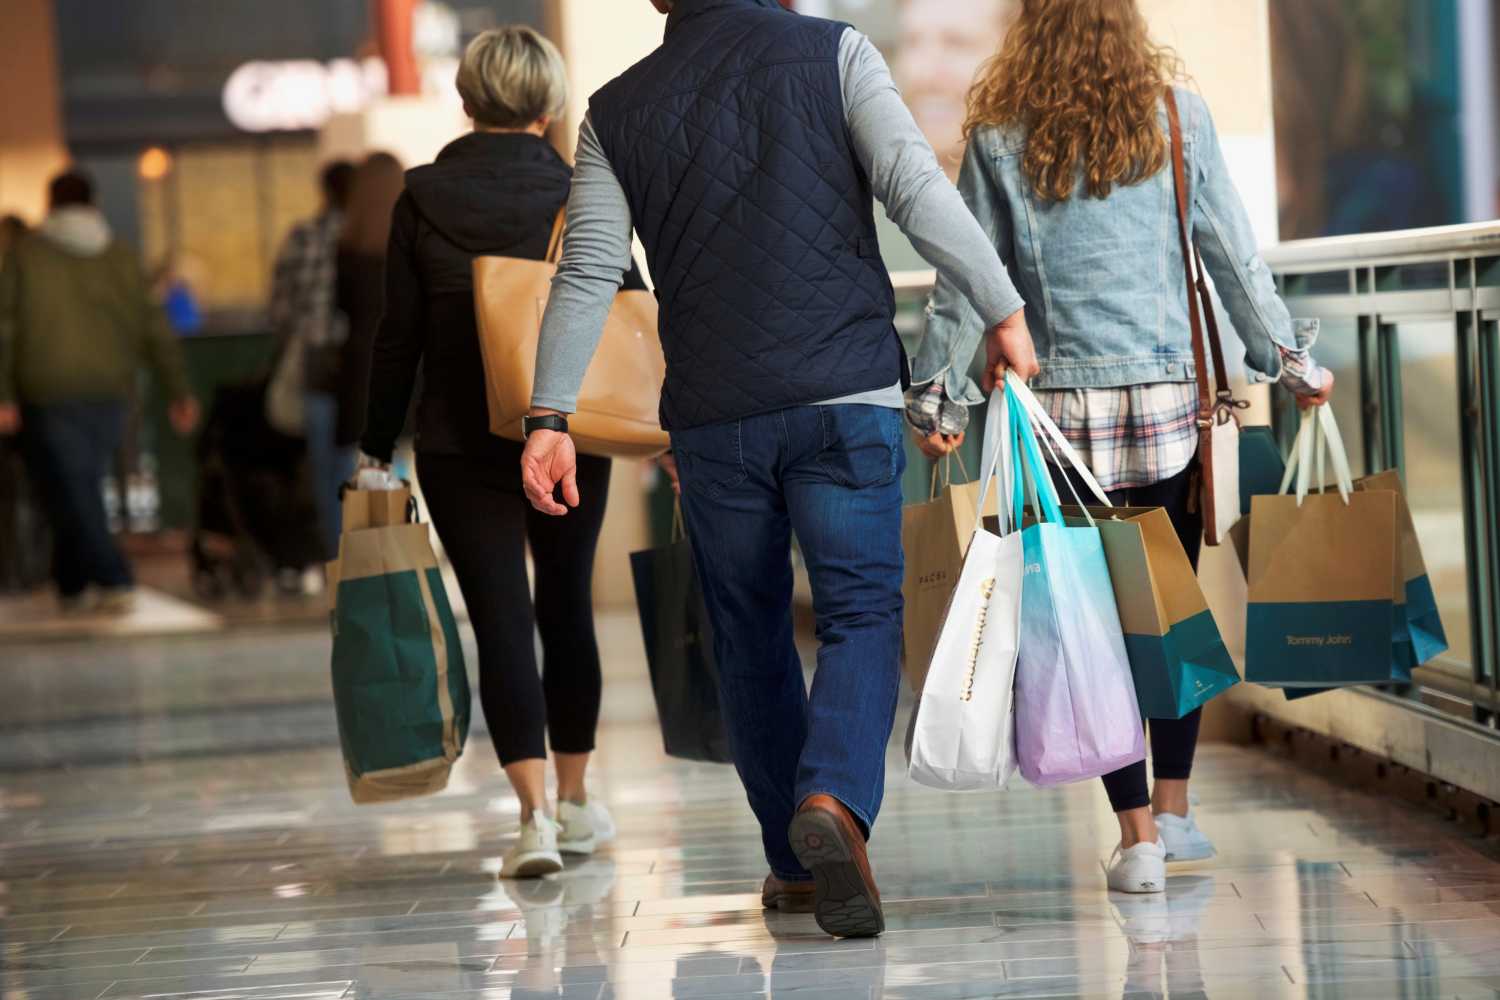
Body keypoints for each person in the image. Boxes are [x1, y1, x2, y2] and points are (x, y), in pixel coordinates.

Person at [520, 0, 1034, 938]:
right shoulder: (833, 53)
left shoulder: (614, 110)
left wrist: (548, 416)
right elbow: (915, 190)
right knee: (861, 611)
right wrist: (1001, 310)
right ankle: (833, 798)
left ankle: (796, 867)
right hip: (844, 395)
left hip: (716, 422)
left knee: (746, 631)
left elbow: (588, 269)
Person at [910, 0, 1334, 894]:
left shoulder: (996, 136)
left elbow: (965, 278)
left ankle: (1136, 835)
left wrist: (937, 396)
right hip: (1167, 410)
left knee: (1086, 632)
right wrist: (1290, 363)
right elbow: (1230, 258)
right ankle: (1176, 813)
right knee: (1166, 610)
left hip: (1058, 422)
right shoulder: (1178, 118)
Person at [359, 26, 644, 879]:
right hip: (565, 428)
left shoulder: (421, 198)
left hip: (455, 440)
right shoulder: (577, 189)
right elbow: (626, 304)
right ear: (551, 104)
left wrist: (377, 447)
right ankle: (578, 798)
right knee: (565, 605)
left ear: (467, 100)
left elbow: (395, 337)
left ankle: (532, 822)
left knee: (499, 619)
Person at [0, 170, 199, 612]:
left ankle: (113, 577)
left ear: (49, 203)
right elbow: (155, 330)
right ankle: (71, 582)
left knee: (74, 487)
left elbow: (5, 328)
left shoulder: (25, 257)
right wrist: (179, 390)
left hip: (46, 389)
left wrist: (4, 395)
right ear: (95, 203)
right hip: (112, 390)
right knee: (78, 484)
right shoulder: (122, 258)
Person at [266, 159, 355, 560]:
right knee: (368, 460)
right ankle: (375, 549)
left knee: (326, 466)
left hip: (315, 363)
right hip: (363, 361)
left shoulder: (304, 236)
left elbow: (280, 309)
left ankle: (338, 552)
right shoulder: (372, 235)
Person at [331, 152, 404, 510]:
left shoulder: (346, 250)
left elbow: (339, 310)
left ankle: (372, 560)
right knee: (411, 474)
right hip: (411, 368)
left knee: (365, 489)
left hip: (362, 372)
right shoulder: (414, 244)